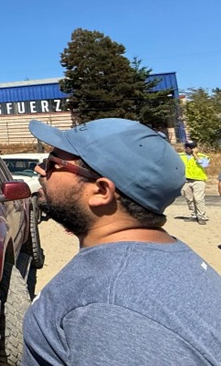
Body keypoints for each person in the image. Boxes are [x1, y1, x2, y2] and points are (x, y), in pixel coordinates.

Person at [22, 118, 221, 365]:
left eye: (53, 163)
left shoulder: (108, 308)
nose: (40, 169)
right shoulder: (165, 257)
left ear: (101, 191)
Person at [179, 140, 211, 225]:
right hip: (186, 180)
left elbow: (204, 165)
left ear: (195, 148)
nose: (188, 148)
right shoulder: (180, 156)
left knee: (198, 199)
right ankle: (194, 215)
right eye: (187, 146)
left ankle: (201, 216)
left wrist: (195, 155)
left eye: (191, 147)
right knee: (189, 199)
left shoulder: (203, 156)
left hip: (198, 180)